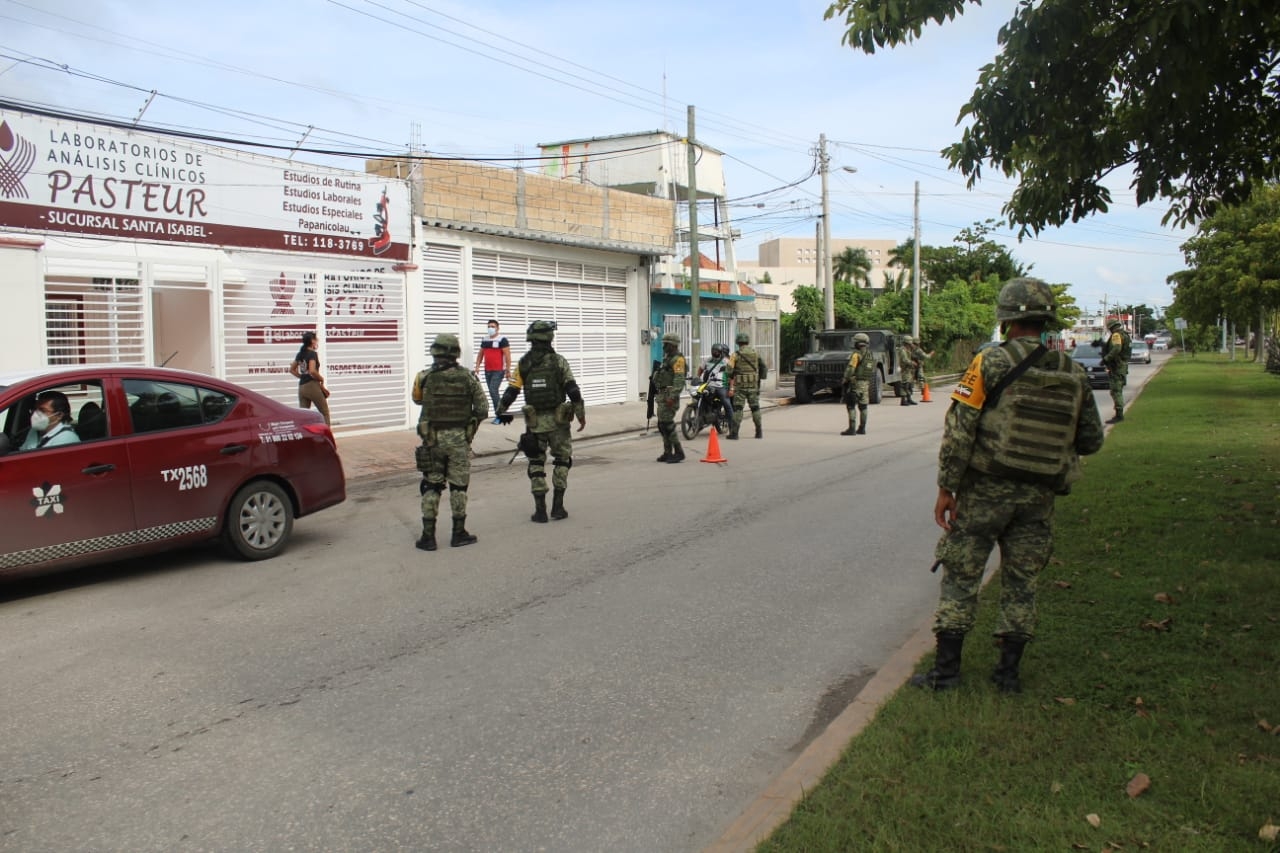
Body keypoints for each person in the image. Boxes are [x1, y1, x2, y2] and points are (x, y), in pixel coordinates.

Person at [913, 278, 1105, 694]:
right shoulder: (1070, 370)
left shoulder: (989, 364)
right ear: (1045, 320)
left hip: (984, 493)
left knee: (961, 576)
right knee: (1022, 583)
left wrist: (947, 488)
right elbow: (1091, 440)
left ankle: (946, 675)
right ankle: (1008, 676)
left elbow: (960, 431)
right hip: (1037, 498)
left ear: (1006, 320)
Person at [496, 320, 586, 522]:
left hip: (534, 423)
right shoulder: (559, 361)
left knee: (536, 462)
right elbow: (572, 389)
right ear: (549, 338)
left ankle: (540, 511)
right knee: (562, 460)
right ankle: (558, 507)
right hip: (558, 422)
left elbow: (512, 391)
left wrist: (500, 410)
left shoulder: (524, 363)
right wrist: (580, 414)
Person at [411, 333, 489, 550]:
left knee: (431, 486)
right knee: (458, 487)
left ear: (434, 351)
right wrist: (470, 428)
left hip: (432, 440)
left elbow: (417, 399)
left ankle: (428, 537)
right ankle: (458, 533)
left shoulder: (423, 377)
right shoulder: (468, 377)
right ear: (456, 352)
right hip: (458, 440)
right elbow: (482, 409)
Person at [653, 333, 688, 463]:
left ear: (672, 345)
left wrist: (672, 396)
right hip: (663, 395)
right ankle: (667, 452)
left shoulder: (678, 360)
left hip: (669, 396)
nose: (664, 346)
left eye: (666, 344)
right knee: (662, 425)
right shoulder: (668, 358)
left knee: (668, 424)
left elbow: (679, 380)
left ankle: (679, 452)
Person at [727, 331, 763, 439]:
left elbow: (729, 370)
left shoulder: (735, 355)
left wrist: (732, 376)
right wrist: (759, 378)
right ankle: (759, 432)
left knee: (738, 409)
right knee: (755, 408)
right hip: (753, 385)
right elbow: (764, 367)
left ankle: (734, 433)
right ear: (747, 341)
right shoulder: (755, 353)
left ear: (738, 342)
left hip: (740, 386)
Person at [474, 319, 511, 425]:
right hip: (487, 370)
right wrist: (477, 366)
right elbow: (480, 354)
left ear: (498, 328)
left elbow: (508, 356)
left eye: (493, 326)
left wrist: (508, 370)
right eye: (489, 326)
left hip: (498, 370)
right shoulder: (485, 339)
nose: (490, 328)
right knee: (492, 392)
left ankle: (500, 416)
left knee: (493, 391)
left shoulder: (502, 340)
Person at [290, 331, 330, 426]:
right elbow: (312, 371)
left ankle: (305, 437)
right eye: (316, 339)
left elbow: (292, 370)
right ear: (312, 341)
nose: (317, 342)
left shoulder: (300, 354)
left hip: (302, 387)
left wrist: (302, 376)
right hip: (312, 386)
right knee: (324, 412)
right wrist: (321, 378)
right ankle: (327, 436)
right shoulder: (312, 354)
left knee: (304, 415)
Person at [840, 332, 873, 436]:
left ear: (858, 343)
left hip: (855, 384)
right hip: (865, 383)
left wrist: (845, 379)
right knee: (863, 407)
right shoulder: (870, 354)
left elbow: (851, 368)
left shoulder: (856, 354)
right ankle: (862, 428)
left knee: (851, 405)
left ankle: (852, 429)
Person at [1100, 319, 1131, 423]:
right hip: (1122, 365)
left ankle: (1119, 415)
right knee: (1117, 390)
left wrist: (1106, 359)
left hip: (1117, 366)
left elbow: (1117, 348)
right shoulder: (1125, 335)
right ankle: (1119, 413)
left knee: (1116, 391)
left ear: (1111, 327)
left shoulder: (1116, 335)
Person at [700, 343, 733, 431]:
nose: (715, 352)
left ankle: (732, 427)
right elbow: (700, 369)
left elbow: (732, 375)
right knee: (700, 397)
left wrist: (731, 388)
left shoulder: (726, 361)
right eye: (713, 351)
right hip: (708, 385)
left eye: (717, 351)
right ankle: (700, 418)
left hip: (721, 386)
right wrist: (697, 378)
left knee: (727, 405)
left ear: (720, 352)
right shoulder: (707, 360)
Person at [904, 334, 934, 399]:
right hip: (913, 366)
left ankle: (919, 390)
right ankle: (917, 389)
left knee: (917, 378)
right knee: (918, 378)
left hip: (914, 366)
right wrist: (931, 354)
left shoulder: (911, 349)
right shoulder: (916, 350)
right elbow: (926, 356)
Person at [895, 334, 918, 406]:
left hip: (909, 369)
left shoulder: (907, 350)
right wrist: (912, 363)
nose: (911, 345)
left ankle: (909, 398)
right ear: (906, 343)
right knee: (905, 384)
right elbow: (904, 360)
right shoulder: (902, 350)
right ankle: (903, 400)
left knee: (909, 384)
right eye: (910, 343)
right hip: (905, 369)